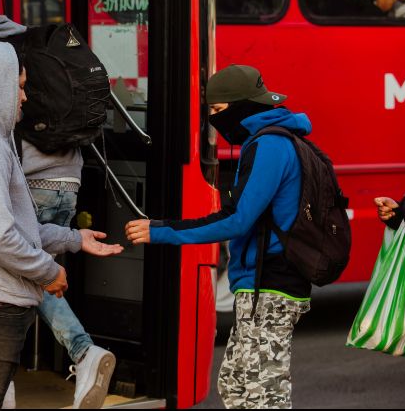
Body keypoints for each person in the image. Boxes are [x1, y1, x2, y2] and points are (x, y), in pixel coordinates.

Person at [0, 39, 123, 409]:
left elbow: (13, 227)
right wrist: (46, 271)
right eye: (19, 86)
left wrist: (73, 238)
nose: (24, 97)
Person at [125, 64, 312, 409]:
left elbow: (237, 221)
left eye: (218, 110)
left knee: (261, 396)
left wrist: (161, 231)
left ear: (243, 105)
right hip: (258, 285)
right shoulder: (266, 140)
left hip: (270, 286)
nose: (213, 119)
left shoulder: (270, 146)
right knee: (235, 386)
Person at [0, 14, 118, 409]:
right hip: (68, 184)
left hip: (30, 183)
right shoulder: (41, 44)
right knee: (33, 281)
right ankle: (75, 357)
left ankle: (77, 353)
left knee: (18, 278)